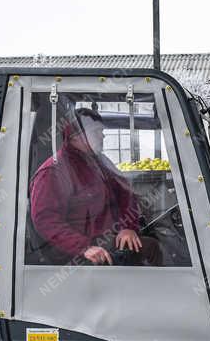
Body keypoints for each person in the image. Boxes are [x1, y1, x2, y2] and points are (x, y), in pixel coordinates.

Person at [29, 108, 162, 266]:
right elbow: (46, 220)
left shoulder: (100, 161)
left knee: (152, 240)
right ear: (76, 136)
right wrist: (84, 247)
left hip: (108, 237)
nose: (103, 135)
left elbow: (125, 193)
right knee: (151, 248)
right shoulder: (52, 171)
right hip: (78, 251)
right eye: (97, 131)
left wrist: (128, 227)